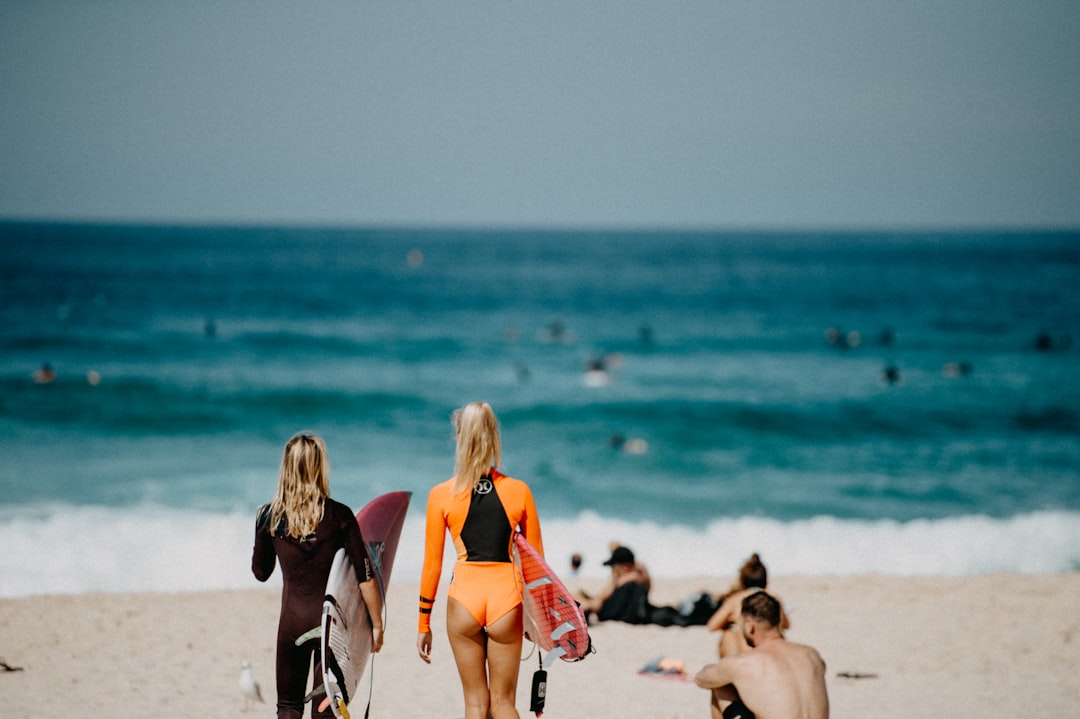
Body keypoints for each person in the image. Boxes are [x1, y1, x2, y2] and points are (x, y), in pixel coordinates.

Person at [416, 401, 543, 719]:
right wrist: (537, 621)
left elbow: (432, 564)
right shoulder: (519, 491)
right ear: (492, 437)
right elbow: (537, 565)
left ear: (459, 437)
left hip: (464, 601)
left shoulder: (441, 494)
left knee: (475, 704)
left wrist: (423, 623)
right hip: (507, 602)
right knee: (503, 704)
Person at [252, 433, 384, 719]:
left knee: (288, 707)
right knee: (325, 713)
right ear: (320, 467)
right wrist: (376, 625)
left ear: (286, 468)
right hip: (330, 629)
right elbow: (364, 576)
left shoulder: (268, 517)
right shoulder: (340, 516)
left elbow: (261, 573)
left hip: (291, 625)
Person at [694, 591, 828, 719]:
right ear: (779, 621)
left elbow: (702, 679)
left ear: (750, 627)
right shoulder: (812, 655)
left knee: (720, 685)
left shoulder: (745, 662)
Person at [707, 554, 788, 657]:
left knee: (728, 633)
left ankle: (730, 667)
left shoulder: (735, 599)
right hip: (772, 652)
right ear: (765, 580)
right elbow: (786, 625)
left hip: (745, 653)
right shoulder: (773, 598)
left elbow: (712, 625)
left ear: (743, 580)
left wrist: (730, 623)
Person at [574, 544, 653, 624]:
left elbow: (602, 606)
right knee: (578, 596)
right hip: (603, 606)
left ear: (625, 567)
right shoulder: (626, 581)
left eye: (614, 567)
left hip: (602, 612)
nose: (613, 571)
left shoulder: (627, 584)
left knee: (579, 602)